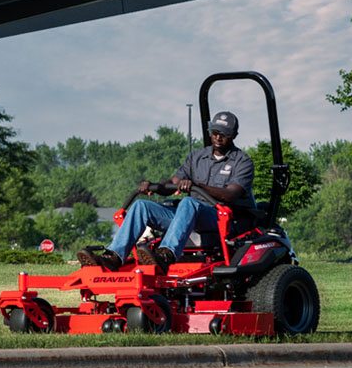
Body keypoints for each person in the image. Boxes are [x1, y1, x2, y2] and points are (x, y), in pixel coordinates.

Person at [77, 111, 255, 274]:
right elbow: (173, 182)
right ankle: (114, 257)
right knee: (141, 206)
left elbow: (231, 194)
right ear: (210, 131)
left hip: (218, 217)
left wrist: (197, 185)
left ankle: (166, 255)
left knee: (187, 202)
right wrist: (154, 186)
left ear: (233, 136)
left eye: (224, 134)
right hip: (188, 215)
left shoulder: (242, 161)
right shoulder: (197, 157)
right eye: (215, 132)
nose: (218, 137)